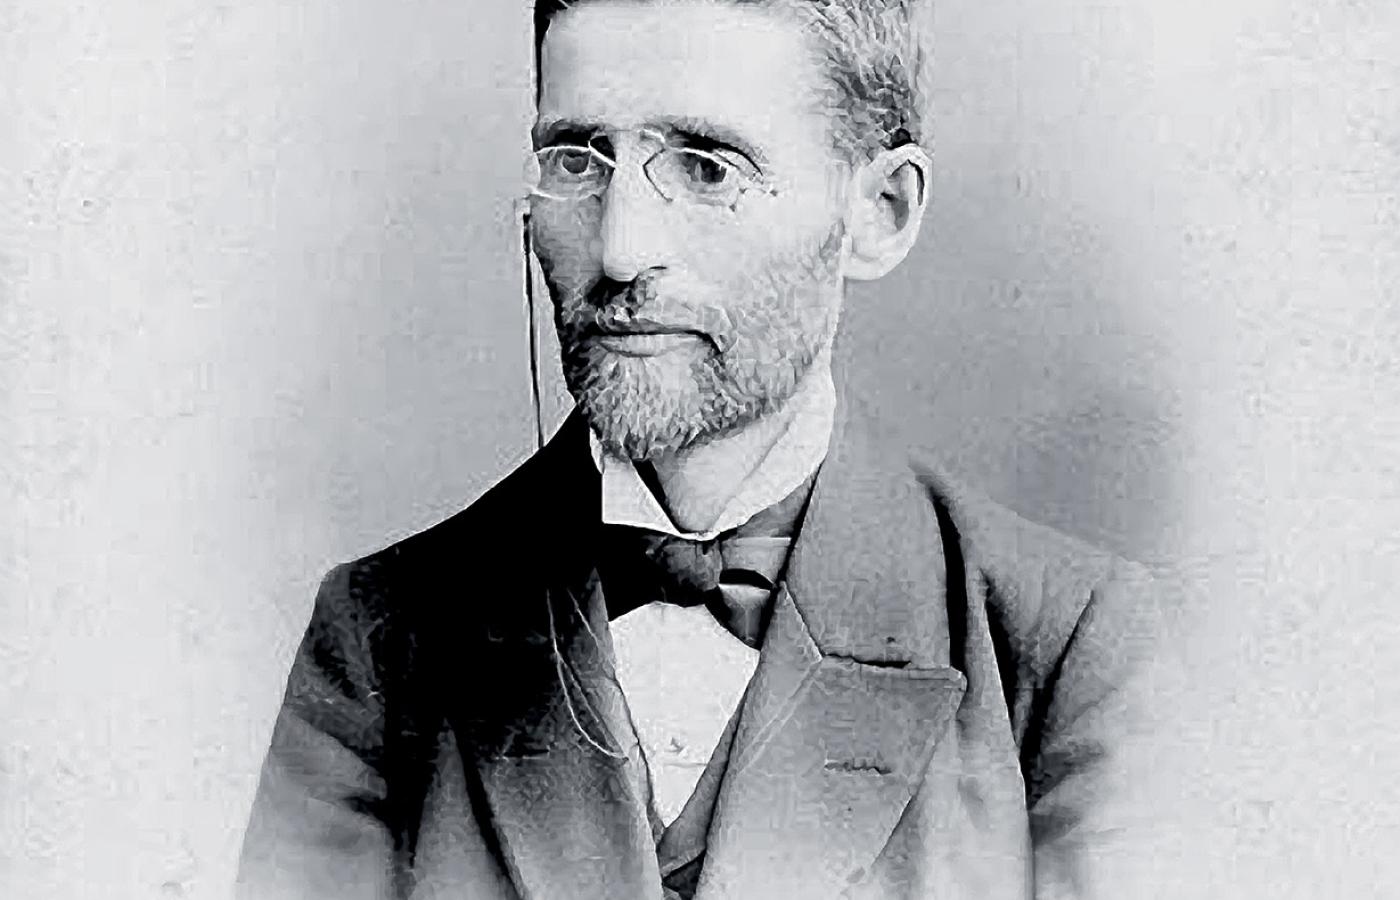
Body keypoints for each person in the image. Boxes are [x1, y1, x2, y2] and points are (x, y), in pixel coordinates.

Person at [237, 1, 1183, 897]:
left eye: (706, 167)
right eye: (576, 159)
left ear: (880, 211)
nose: (620, 251)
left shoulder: (1064, 647)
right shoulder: (380, 638)